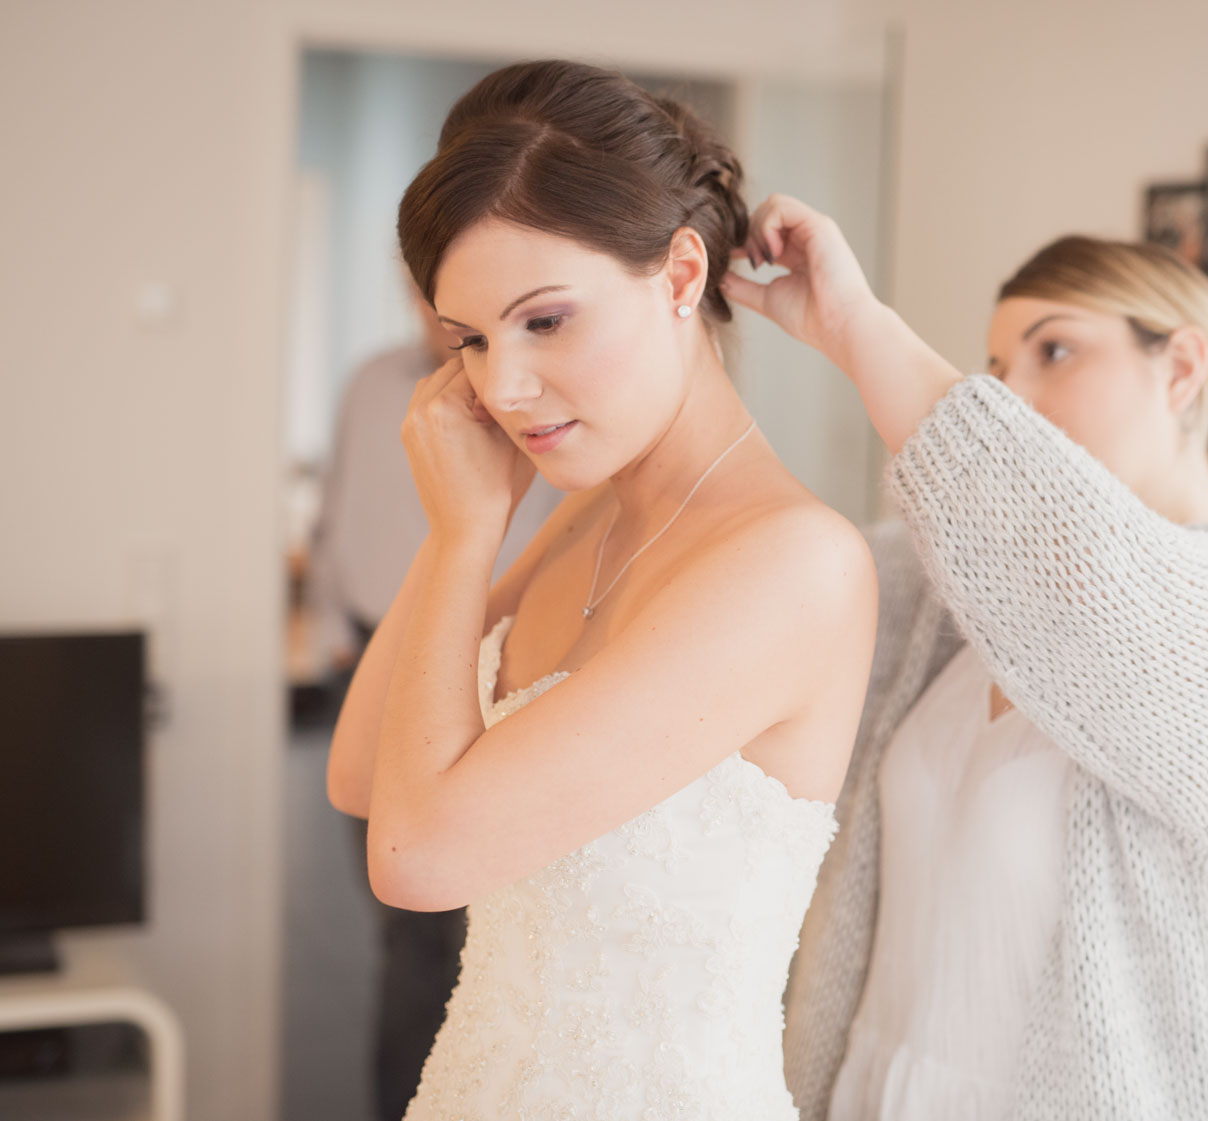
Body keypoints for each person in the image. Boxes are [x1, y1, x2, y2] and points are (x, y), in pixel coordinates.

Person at [721, 197, 1208, 1120]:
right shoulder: (940, 589)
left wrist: (857, 326)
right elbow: (758, 579)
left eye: (1055, 350)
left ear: (1182, 367)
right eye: (995, 369)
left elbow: (1083, 570)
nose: (1009, 395)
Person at [324, 60, 877, 1121]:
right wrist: (460, 532)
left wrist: (465, 538)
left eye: (544, 321)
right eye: (471, 340)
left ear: (680, 276)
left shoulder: (796, 562)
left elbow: (416, 856)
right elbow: (359, 770)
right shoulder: (591, 514)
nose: (502, 387)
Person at [307, 286, 563, 1120]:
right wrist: (331, 624)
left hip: (492, 653)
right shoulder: (374, 382)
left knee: (469, 927)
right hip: (370, 645)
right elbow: (334, 508)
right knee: (403, 922)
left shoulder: (535, 403)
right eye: (426, 291)